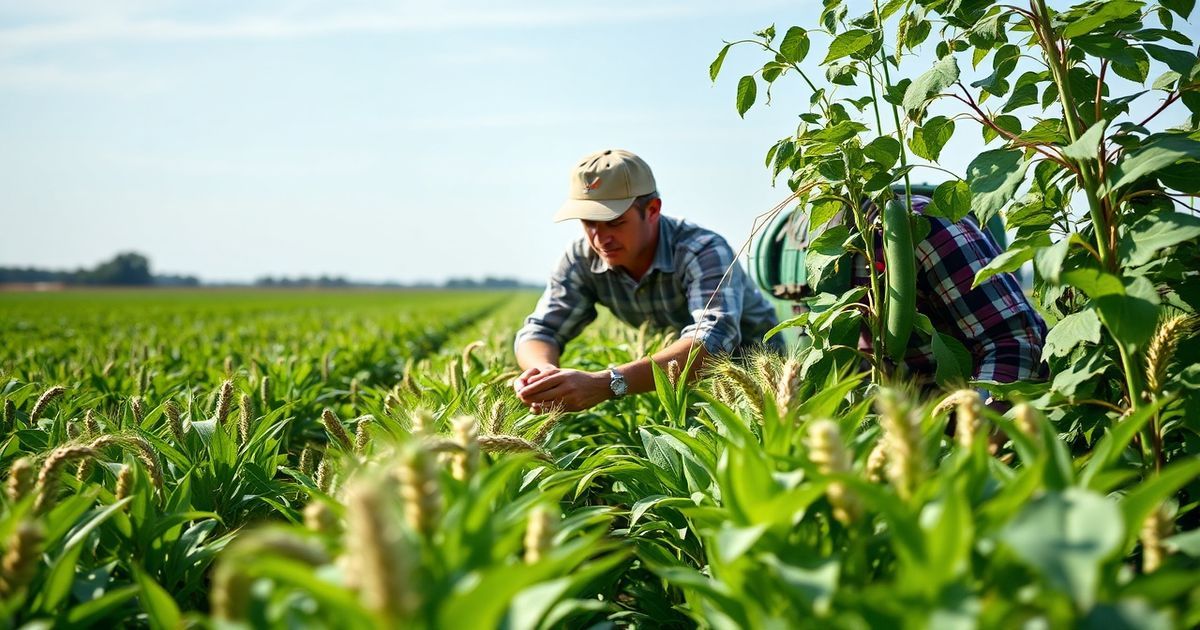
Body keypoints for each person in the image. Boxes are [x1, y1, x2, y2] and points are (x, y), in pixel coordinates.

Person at [513, 149, 783, 413]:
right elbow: (540, 331)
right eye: (589, 223)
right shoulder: (580, 258)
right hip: (673, 381)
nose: (599, 238)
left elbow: (713, 341)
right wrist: (543, 374)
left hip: (760, 381)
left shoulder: (701, 250)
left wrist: (607, 383)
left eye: (615, 222)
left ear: (653, 210)